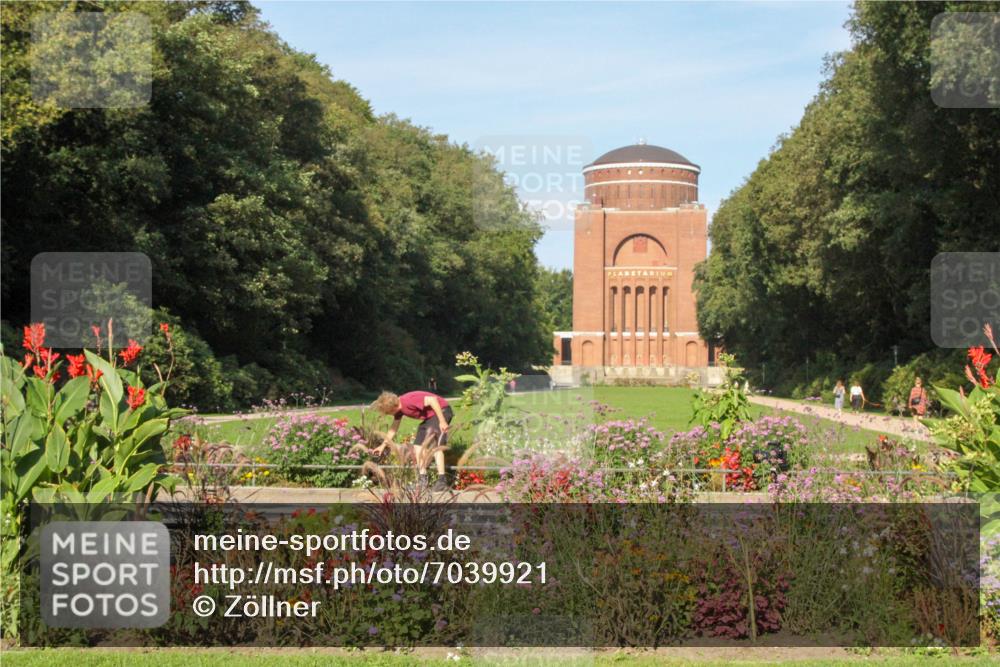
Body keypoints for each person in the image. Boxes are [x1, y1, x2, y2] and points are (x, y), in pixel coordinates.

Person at [371, 390, 452, 491]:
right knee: (417, 446)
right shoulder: (399, 410)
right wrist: (383, 446)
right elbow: (393, 429)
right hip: (430, 418)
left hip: (442, 411)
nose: (388, 414)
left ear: (392, 408)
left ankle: (442, 481)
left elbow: (433, 400)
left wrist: (442, 421)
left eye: (387, 412)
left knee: (436, 446)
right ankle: (423, 481)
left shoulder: (408, 401)